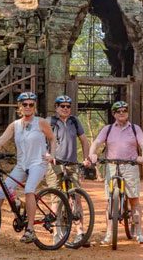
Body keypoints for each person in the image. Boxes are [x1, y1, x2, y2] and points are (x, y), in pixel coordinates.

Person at [0, 91, 57, 243]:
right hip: (21, 164)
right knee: (0, 193)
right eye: (25, 104)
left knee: (29, 190)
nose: (28, 107)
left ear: (35, 106)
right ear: (20, 106)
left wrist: (52, 155)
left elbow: (52, 139)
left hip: (38, 163)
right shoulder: (15, 125)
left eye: (31, 104)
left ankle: (30, 230)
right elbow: (1, 139)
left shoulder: (41, 122)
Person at [88, 100, 143, 244]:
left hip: (130, 166)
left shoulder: (135, 129)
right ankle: (109, 234)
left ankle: (139, 232)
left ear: (127, 113)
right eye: (118, 111)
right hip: (111, 166)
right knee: (110, 201)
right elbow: (96, 143)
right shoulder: (108, 129)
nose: (122, 113)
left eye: (124, 111)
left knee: (134, 199)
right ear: (114, 114)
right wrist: (92, 154)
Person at [45, 95, 92, 245]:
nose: (65, 108)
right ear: (56, 107)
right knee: (55, 198)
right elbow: (40, 140)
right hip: (54, 164)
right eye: (62, 106)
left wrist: (86, 158)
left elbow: (84, 140)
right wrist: (47, 154)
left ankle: (80, 233)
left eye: (68, 106)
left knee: (76, 197)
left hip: (72, 164)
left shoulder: (74, 121)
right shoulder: (49, 121)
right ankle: (56, 234)